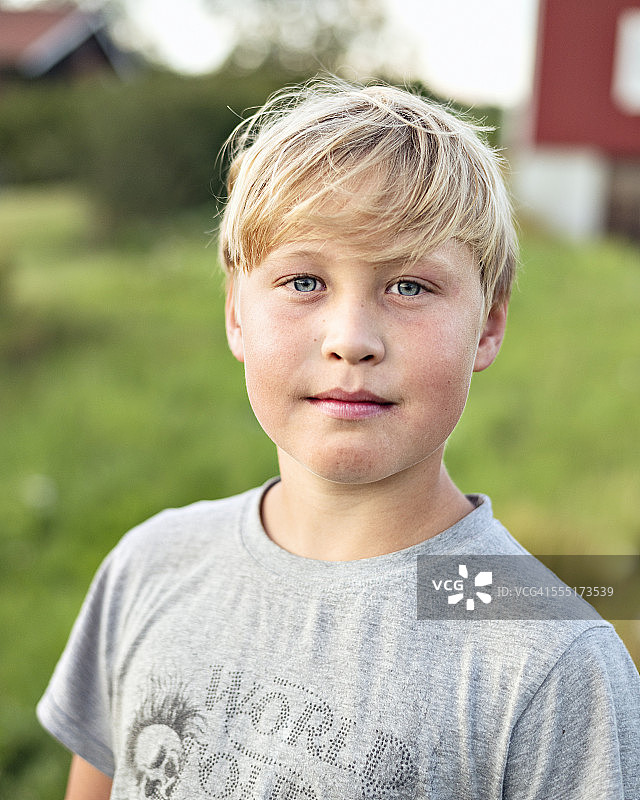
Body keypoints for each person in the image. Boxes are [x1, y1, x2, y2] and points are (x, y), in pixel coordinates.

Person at [38, 78, 639, 799]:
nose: (351, 341)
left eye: (409, 287)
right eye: (303, 282)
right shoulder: (150, 567)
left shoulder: (551, 657)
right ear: (235, 312)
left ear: (489, 324)